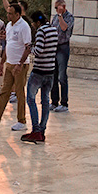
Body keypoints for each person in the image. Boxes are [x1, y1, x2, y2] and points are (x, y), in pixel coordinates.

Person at [0, 1, 31, 133]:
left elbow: (28, 47)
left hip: (20, 65)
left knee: (19, 93)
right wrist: (2, 63)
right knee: (4, 92)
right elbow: (7, 45)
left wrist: (20, 64)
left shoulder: (24, 27)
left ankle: (21, 121)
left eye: (11, 13)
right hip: (9, 63)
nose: (8, 16)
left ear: (18, 14)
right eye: (7, 13)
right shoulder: (8, 25)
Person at [21, 10, 58, 144]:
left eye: (33, 23)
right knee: (45, 101)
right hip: (50, 71)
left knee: (31, 99)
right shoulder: (54, 30)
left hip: (39, 71)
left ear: (38, 22)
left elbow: (39, 50)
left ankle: (36, 130)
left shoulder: (41, 31)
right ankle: (42, 131)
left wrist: (30, 48)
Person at [50, 0, 74, 112]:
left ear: (63, 7)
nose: (56, 10)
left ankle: (64, 103)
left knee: (62, 76)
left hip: (63, 47)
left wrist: (60, 16)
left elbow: (64, 28)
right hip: (54, 46)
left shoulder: (69, 17)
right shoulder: (55, 17)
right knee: (53, 76)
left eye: (57, 7)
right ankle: (54, 101)